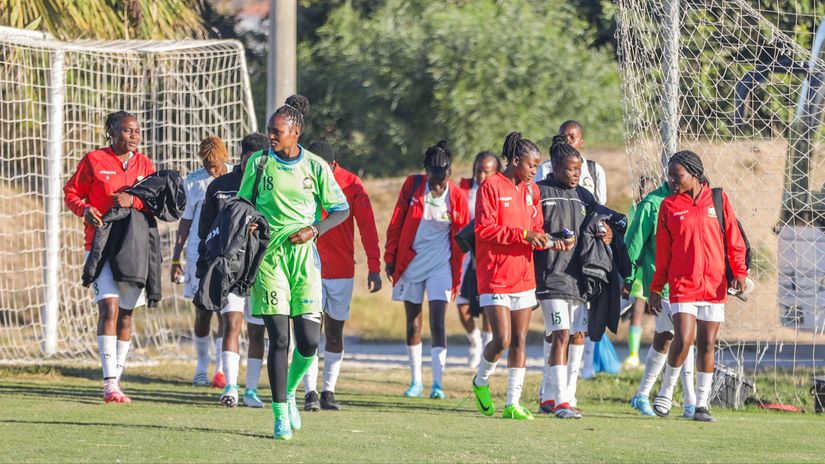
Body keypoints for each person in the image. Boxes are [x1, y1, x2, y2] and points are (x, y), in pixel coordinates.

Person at [238, 95, 350, 441]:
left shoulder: (315, 167)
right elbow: (243, 204)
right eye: (270, 131)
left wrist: (314, 229)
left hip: (304, 261)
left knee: (309, 341)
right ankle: (280, 412)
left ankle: (289, 390)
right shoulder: (258, 163)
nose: (271, 136)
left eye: (277, 132)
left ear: (295, 132)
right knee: (279, 339)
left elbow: (340, 209)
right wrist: (252, 223)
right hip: (270, 259)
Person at [649, 150, 747, 423]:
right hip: (683, 285)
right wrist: (656, 288)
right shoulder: (669, 206)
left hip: (714, 286)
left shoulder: (718, 199)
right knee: (684, 338)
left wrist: (739, 272)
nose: (672, 181)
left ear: (694, 173)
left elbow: (734, 239)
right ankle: (667, 391)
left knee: (707, 343)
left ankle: (701, 405)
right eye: (670, 175)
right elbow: (663, 253)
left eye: (677, 175)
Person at [64, 111, 155, 403]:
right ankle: (109, 384)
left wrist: (135, 200)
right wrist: (84, 209)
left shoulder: (145, 164)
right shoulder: (93, 160)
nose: (133, 136)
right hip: (100, 245)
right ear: (112, 132)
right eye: (128, 131)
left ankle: (117, 378)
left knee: (126, 315)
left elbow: (157, 201)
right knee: (109, 308)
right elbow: (71, 193)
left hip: (132, 247)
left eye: (137, 132)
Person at [471, 132, 548, 421]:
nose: (534, 172)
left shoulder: (532, 191)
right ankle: (481, 380)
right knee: (501, 339)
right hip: (494, 274)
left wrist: (549, 239)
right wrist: (524, 235)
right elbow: (484, 230)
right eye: (531, 165)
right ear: (515, 161)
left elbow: (536, 226)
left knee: (519, 340)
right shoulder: (490, 187)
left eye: (538, 167)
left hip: (524, 276)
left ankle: (512, 404)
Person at [385, 140, 470, 400]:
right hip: (410, 263)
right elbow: (396, 222)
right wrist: (390, 258)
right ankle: (415, 382)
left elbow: (464, 233)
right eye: (433, 182)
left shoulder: (456, 195)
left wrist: (461, 264)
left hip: (440, 265)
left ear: (449, 175)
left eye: (441, 183)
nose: (437, 187)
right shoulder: (412, 186)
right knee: (413, 323)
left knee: (438, 321)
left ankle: (438, 384)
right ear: (427, 173)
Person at [302, 140, 383, 411]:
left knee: (334, 333)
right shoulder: (302, 177)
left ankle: (328, 391)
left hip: (340, 271)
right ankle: (310, 392)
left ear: (332, 165)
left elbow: (367, 227)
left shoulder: (351, 184)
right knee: (310, 334)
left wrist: (374, 266)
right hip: (307, 268)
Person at [536, 135, 612, 419]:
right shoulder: (540, 192)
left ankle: (551, 397)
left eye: (579, 170)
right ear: (554, 167)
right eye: (570, 169)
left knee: (574, 335)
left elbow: (599, 225)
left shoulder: (584, 196)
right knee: (560, 335)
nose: (576, 174)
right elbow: (531, 233)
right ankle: (560, 401)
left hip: (579, 279)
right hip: (551, 277)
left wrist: (607, 233)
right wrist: (550, 240)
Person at [198, 133, 270, 408]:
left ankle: (251, 390)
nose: (253, 164)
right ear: (240, 157)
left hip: (262, 267)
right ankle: (230, 387)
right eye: (249, 158)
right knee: (231, 323)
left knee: (257, 330)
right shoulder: (220, 187)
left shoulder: (270, 186)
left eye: (259, 160)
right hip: (229, 267)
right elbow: (206, 229)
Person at [626, 174, 697, 418]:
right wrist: (627, 278)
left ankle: (642, 395)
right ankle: (691, 402)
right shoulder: (652, 205)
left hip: (688, 285)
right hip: (663, 286)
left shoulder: (691, 202)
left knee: (667, 337)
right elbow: (633, 244)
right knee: (683, 338)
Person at [171, 136, 232, 388]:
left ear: (224, 158)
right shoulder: (194, 181)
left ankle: (221, 369)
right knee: (203, 311)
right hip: (200, 255)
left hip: (228, 254)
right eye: (207, 164)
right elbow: (185, 221)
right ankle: (201, 364)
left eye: (215, 164)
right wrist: (176, 256)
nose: (211, 169)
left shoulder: (237, 179)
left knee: (226, 312)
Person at [456, 151, 501, 369]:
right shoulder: (465, 190)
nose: (481, 175)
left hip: (488, 255)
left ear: (496, 172)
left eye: (486, 171)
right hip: (466, 256)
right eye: (478, 170)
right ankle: (474, 342)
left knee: (487, 307)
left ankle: (485, 347)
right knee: (462, 305)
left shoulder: (499, 191)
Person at [622, 175, 658, 370]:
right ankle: (633, 355)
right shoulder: (635, 208)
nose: (646, 192)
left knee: (661, 312)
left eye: (650, 188)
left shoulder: (660, 205)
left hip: (655, 265)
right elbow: (632, 235)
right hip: (640, 267)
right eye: (643, 188)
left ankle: (660, 353)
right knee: (637, 308)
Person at [535, 120, 607, 205]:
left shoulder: (594, 169)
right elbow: (538, 200)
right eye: (564, 137)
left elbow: (601, 204)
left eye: (572, 137)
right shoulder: (545, 168)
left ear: (581, 142)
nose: (568, 141)